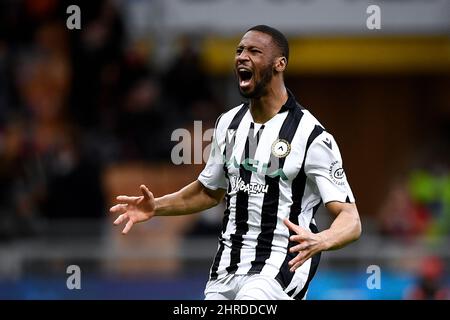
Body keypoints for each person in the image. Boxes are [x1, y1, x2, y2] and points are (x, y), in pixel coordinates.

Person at [110, 25, 362, 300]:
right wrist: (156, 206)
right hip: (227, 268)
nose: (242, 56)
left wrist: (321, 240)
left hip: (279, 266)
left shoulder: (311, 135)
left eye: (254, 51)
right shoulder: (228, 124)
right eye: (239, 50)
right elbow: (209, 191)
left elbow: (350, 219)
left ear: (280, 64)